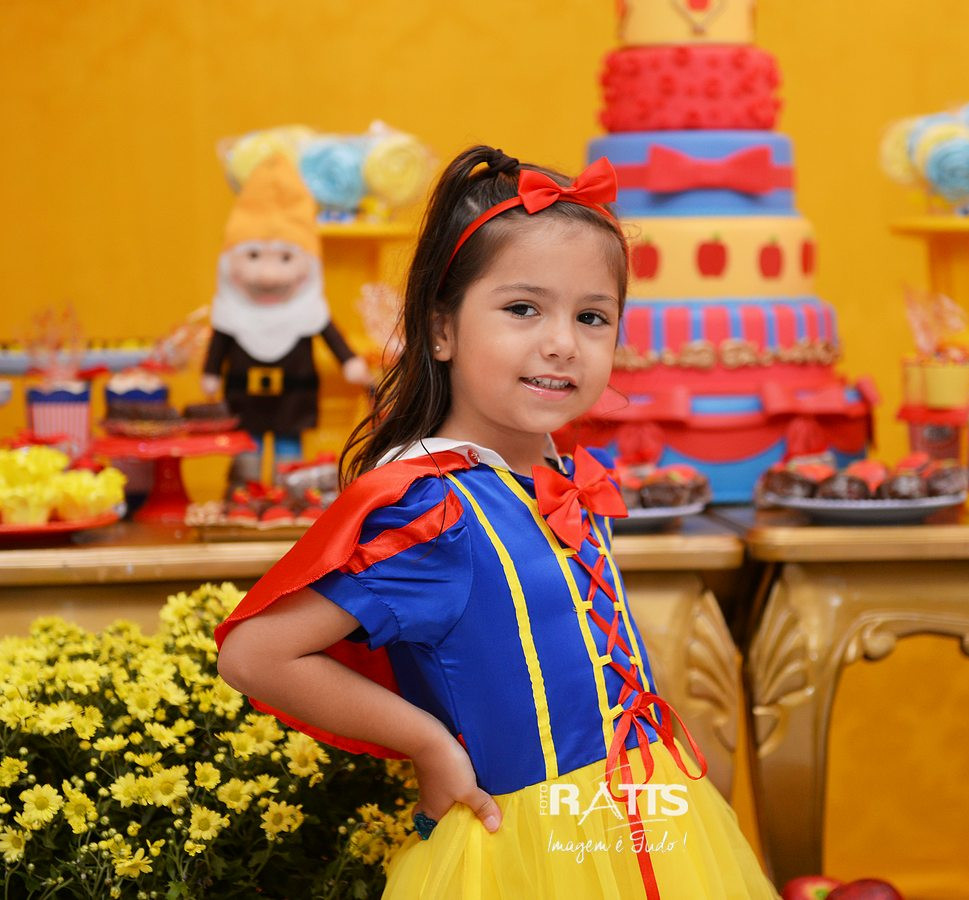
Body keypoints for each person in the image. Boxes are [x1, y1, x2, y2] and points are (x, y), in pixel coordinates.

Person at [215, 145, 777, 899]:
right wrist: (427, 743)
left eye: (592, 317)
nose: (561, 342)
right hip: (529, 853)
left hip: (651, 816)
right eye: (522, 309)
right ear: (440, 331)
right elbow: (255, 654)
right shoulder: (433, 508)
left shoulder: (560, 475)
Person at [202, 153, 373, 487]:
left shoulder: (309, 310)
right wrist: (210, 372)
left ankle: (289, 498)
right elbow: (219, 343)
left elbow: (331, 335)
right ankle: (245, 496)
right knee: (246, 452)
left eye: (285, 258)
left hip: (293, 401)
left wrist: (350, 362)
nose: (268, 275)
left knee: (289, 453)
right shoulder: (230, 312)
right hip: (244, 400)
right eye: (253, 256)